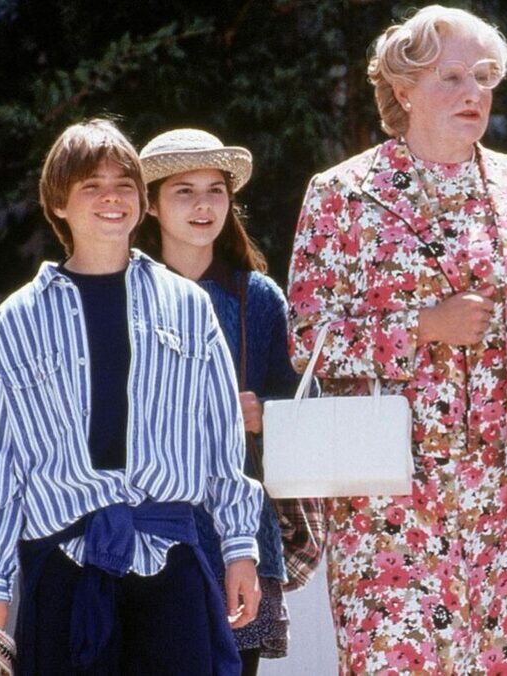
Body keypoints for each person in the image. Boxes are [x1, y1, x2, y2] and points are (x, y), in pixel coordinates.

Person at [284, 6, 507, 671]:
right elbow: (307, 337)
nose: (473, 93)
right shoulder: (342, 196)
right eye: (452, 76)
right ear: (403, 90)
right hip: (386, 508)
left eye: (484, 77)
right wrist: (422, 327)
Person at [0, 119, 262, 674]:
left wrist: (239, 547)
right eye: (91, 185)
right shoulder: (15, 323)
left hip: (173, 561)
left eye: (124, 183)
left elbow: (221, 441)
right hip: (63, 564)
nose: (112, 198)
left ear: (141, 199)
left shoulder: (187, 308)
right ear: (59, 203)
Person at [136, 128, 297, 674]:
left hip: (241, 534)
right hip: (146, 529)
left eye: (216, 190)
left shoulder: (258, 298)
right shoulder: (122, 294)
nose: (204, 205)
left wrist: (264, 415)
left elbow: (302, 397)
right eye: (184, 191)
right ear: (151, 205)